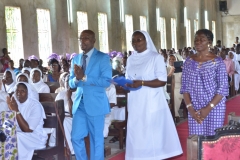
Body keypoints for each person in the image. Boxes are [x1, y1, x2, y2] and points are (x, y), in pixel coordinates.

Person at [124, 30, 182, 160]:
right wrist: (125, 83)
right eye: (133, 40)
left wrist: (142, 82)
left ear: (146, 40)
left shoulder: (155, 57)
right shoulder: (131, 59)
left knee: (151, 131)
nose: (136, 43)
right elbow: (129, 77)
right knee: (136, 130)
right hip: (135, 100)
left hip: (151, 99)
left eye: (139, 39)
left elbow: (162, 81)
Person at [69, 29, 112, 160]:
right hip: (80, 104)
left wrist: (84, 78)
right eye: (81, 38)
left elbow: (106, 81)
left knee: (96, 140)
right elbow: (71, 84)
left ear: (93, 41)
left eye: (86, 38)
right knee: (75, 137)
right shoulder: (76, 59)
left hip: (96, 104)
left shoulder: (102, 57)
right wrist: (76, 79)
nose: (83, 41)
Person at [180, 29, 229, 136]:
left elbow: (223, 88)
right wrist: (190, 108)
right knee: (196, 140)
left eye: (202, 40)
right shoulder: (189, 61)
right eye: (196, 39)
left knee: (212, 140)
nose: (198, 42)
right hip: (195, 107)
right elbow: (185, 87)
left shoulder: (217, 62)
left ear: (209, 42)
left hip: (214, 106)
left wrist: (208, 108)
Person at [6, 82, 47, 159]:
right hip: (19, 134)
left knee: (15, 137)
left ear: (28, 92)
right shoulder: (14, 103)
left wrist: (16, 110)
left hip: (35, 136)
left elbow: (28, 130)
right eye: (17, 91)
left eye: (22, 91)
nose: (19, 93)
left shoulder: (35, 105)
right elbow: (8, 125)